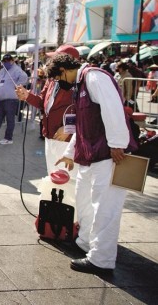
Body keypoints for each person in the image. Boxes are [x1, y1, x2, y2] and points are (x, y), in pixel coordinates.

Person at [52, 53, 136, 275]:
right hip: (90, 154)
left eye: (58, 77)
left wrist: (118, 143)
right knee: (85, 200)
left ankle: (102, 259)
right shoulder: (81, 84)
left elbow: (112, 109)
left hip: (107, 155)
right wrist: (70, 152)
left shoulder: (94, 78)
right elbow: (82, 123)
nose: (61, 83)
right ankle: (85, 242)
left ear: (63, 70)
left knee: (105, 208)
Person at [0, 53, 28, 145]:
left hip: (11, 100)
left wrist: (19, 84)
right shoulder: (3, 70)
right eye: (4, 61)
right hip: (1, 99)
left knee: (10, 119)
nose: (6, 63)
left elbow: (24, 77)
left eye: (8, 61)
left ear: (12, 61)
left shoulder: (17, 70)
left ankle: (8, 138)